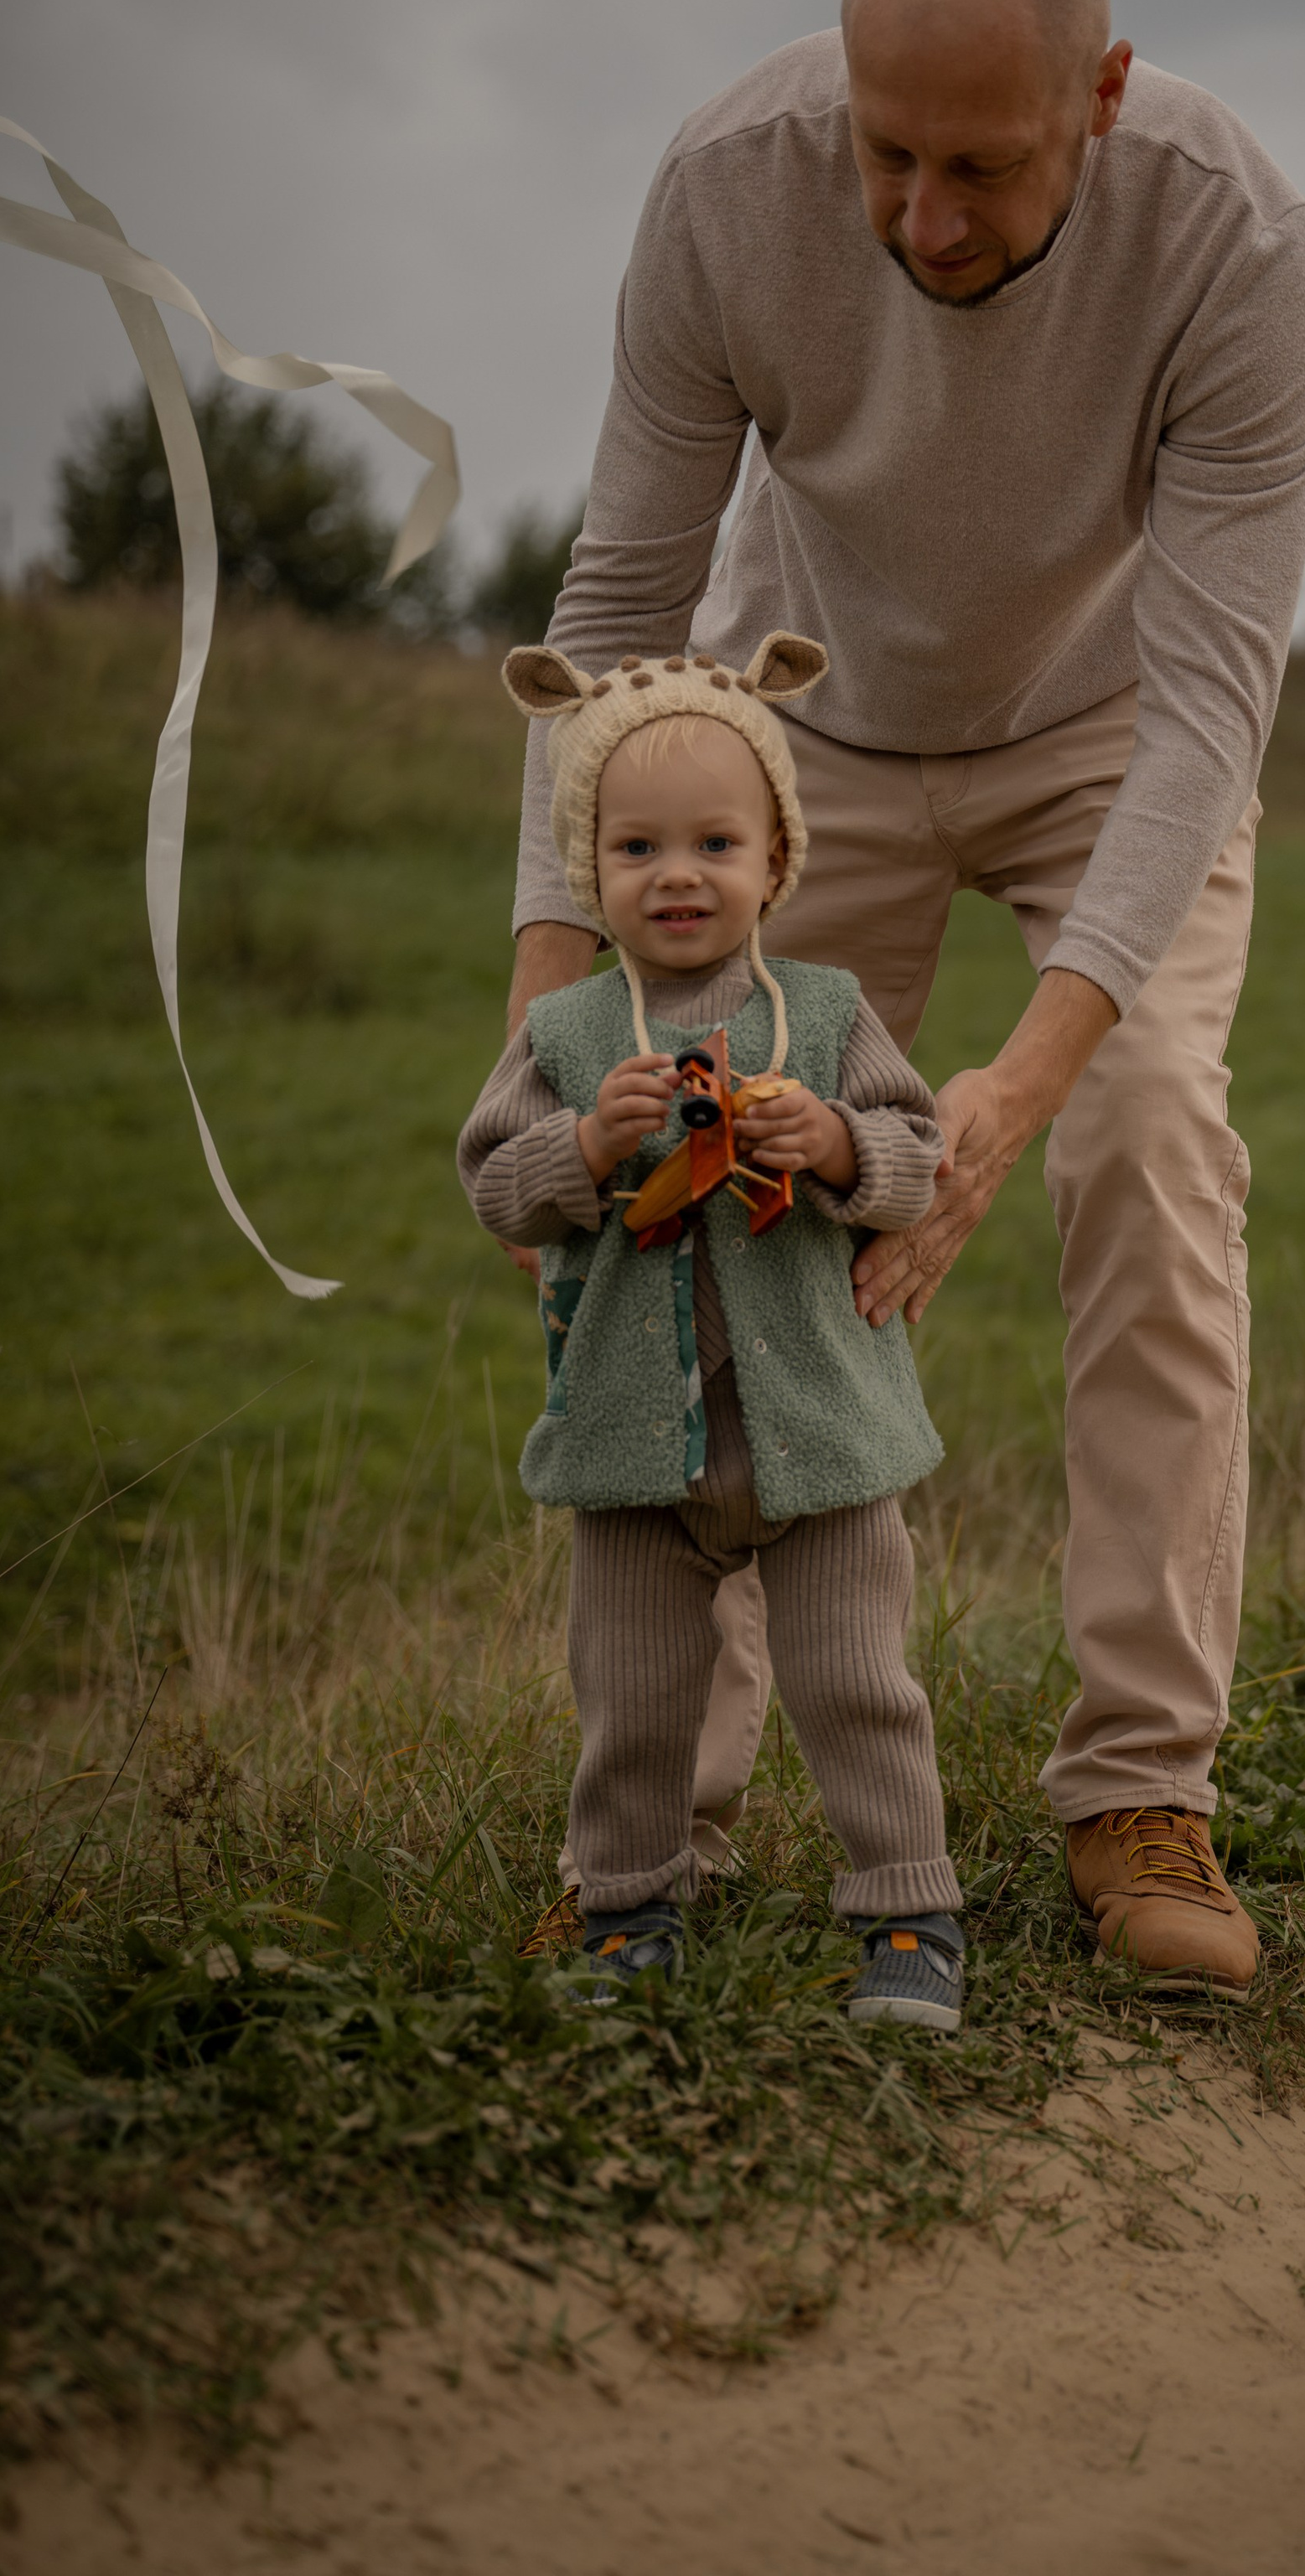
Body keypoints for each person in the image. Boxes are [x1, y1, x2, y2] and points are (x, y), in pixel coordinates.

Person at [504, 0, 1305, 1998]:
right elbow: (611, 626)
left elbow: (1219, 702)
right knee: (720, 1192)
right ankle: (653, 1841)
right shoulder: (725, 189)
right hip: (798, 732)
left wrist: (1011, 1094)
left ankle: (1143, 1787)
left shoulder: (1235, 241)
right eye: (888, 155)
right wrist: (544, 1025)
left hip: (1111, 734)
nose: (923, 219)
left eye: (983, 165)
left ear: (1106, 97)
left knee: (1144, 1139)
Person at [459, 630, 966, 2032]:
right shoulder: (566, 1034)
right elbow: (495, 1188)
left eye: (715, 843)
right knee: (633, 1695)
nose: (677, 875)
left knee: (859, 1682)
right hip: (636, 1446)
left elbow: (922, 1162)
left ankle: (908, 1910)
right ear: (593, 870)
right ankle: (630, 1903)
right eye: (636, 849)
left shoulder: (826, 1013)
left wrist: (844, 1145)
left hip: (823, 1436)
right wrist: (580, 1143)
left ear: (774, 862)